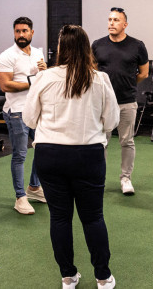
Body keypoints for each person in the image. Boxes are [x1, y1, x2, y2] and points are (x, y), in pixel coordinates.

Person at [23, 25, 120, 289]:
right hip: (88, 155)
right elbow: (111, 121)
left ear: (61, 48)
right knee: (93, 218)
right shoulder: (99, 79)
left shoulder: (44, 78)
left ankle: (68, 276)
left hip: (50, 155)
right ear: (87, 48)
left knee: (60, 218)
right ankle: (103, 277)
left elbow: (29, 118)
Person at [91, 7, 149, 195]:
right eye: (109, 19)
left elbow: (144, 73)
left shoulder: (137, 45)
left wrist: (129, 83)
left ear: (125, 24)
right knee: (102, 141)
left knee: (127, 141)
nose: (111, 23)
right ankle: (99, 177)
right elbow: (93, 71)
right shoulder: (98, 44)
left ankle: (126, 179)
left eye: (116, 20)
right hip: (102, 102)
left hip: (127, 101)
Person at [0, 16, 48, 214]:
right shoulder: (7, 55)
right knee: (20, 155)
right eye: (17, 31)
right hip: (16, 112)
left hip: (37, 109)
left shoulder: (38, 52)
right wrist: (32, 82)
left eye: (24, 31)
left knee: (43, 150)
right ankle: (20, 197)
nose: (21, 35)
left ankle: (34, 187)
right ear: (14, 32)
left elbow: (42, 79)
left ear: (32, 32)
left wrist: (45, 72)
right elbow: (5, 85)